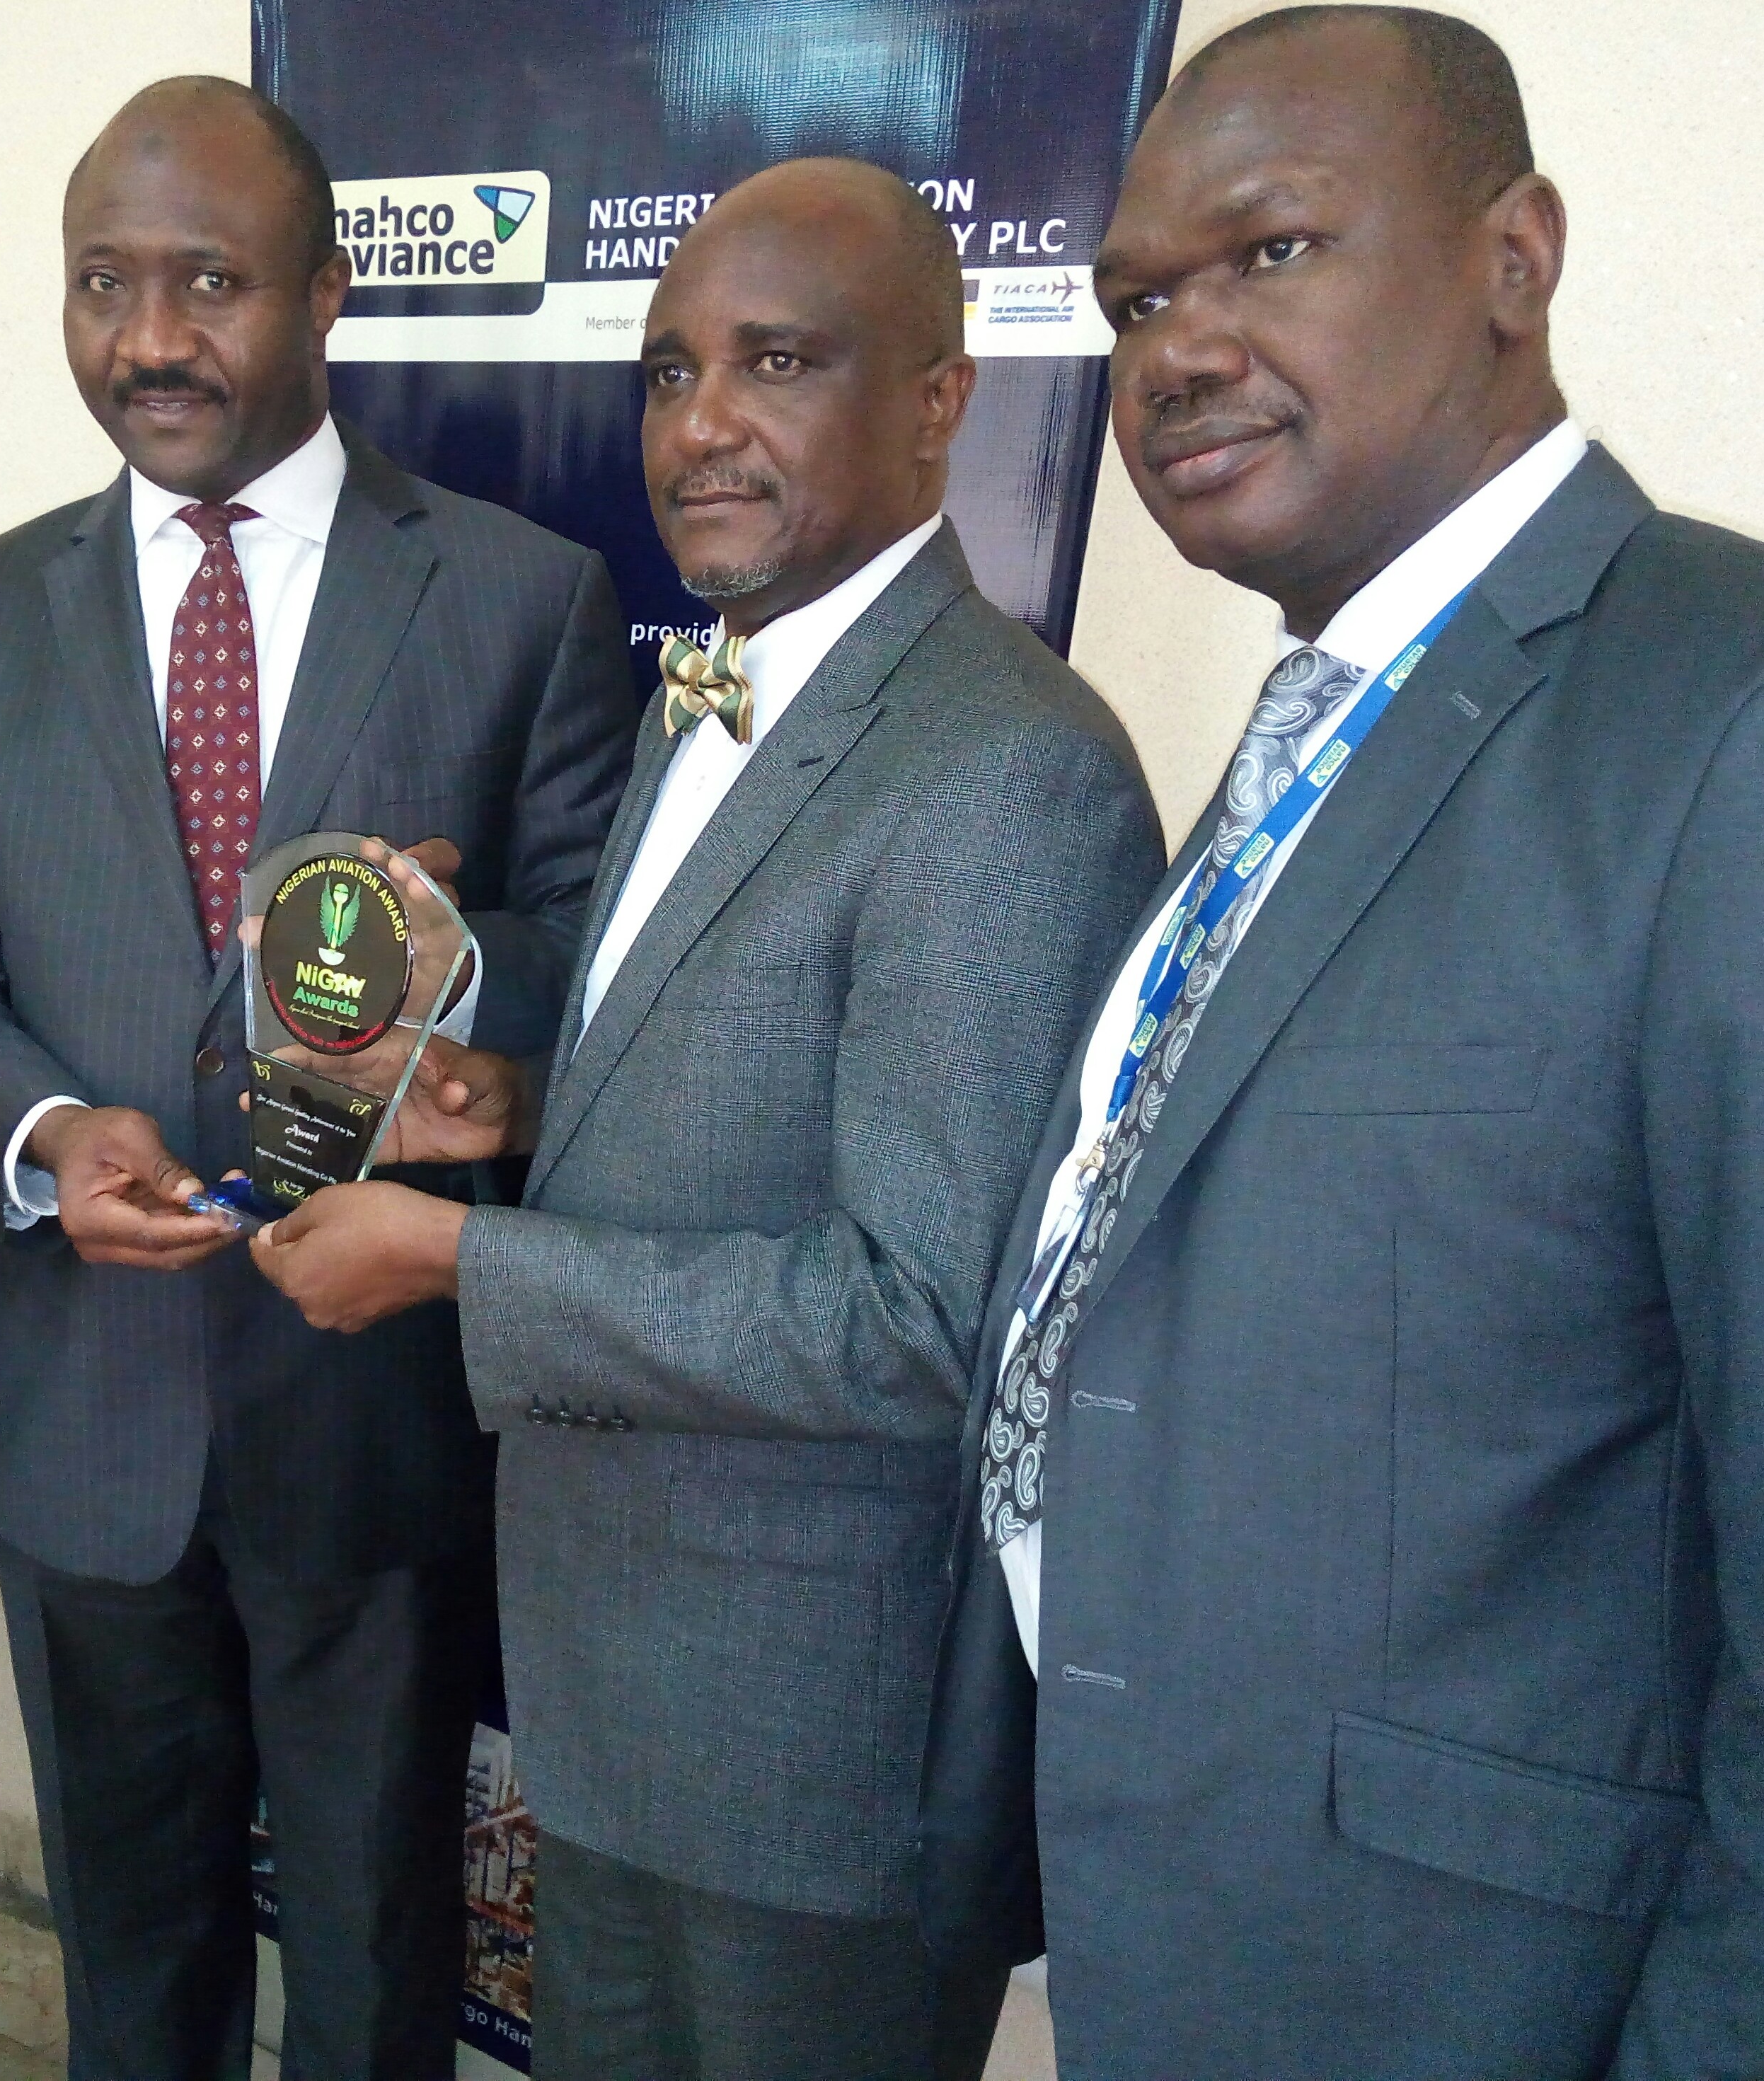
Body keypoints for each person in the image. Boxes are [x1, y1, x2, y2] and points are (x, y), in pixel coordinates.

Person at [916, 8, 1764, 2076]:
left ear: (1513, 255)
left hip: (1478, 1998)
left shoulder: (1710, 716)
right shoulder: (1330, 709)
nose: (1178, 348)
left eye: (1269, 252)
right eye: (1135, 301)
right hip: (1184, 1931)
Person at [253, 158, 1162, 2081]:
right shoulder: (716, 684)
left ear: (939, 396)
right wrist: (510, 1076)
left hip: (807, 1757)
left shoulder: (1008, 777)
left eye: (776, 363)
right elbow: (701, 1040)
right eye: (669, 373)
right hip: (610, 1683)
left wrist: (458, 1260)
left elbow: (915, 1320)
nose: (702, 427)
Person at [0, 76, 638, 2081]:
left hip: (368, 1428)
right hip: (85, 1419)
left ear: (328, 295)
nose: (149, 337)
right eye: (103, 283)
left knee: (377, 1960)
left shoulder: (518, 597)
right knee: (135, 1953)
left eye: (209, 281)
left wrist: (461, 984)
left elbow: (610, 967)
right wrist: (34, 1132)